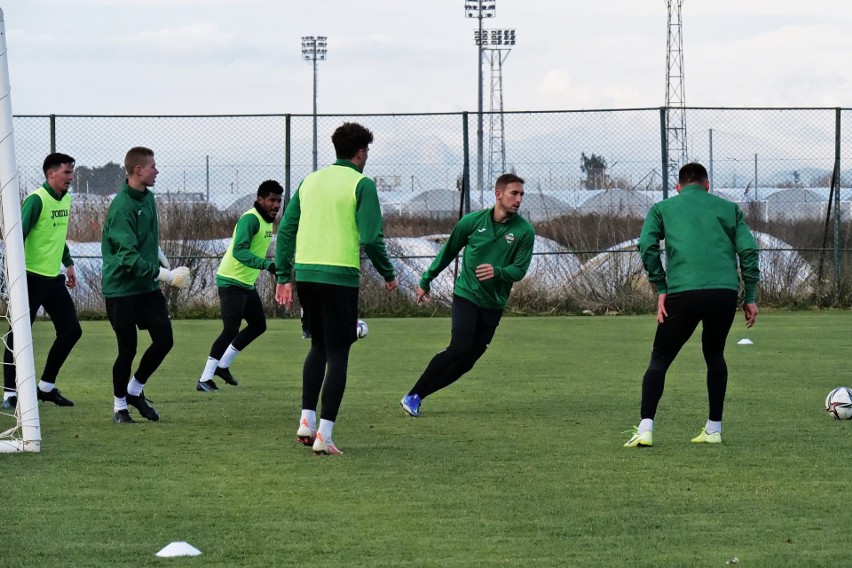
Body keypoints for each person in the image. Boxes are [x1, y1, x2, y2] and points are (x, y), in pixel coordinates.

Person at [275, 122, 398, 456]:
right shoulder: (362, 184)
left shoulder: (309, 181)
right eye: (367, 152)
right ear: (361, 153)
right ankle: (324, 436)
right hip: (339, 276)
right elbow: (372, 237)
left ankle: (306, 421)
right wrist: (388, 273)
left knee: (317, 345)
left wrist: (284, 275)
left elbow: (286, 230)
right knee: (339, 351)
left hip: (307, 274)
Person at [624, 162, 760, 448]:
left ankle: (646, 429)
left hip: (683, 292)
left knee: (660, 358)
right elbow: (748, 249)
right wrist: (749, 296)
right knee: (714, 354)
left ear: (678, 187)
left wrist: (661, 286)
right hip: (723, 292)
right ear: (707, 185)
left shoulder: (663, 209)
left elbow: (647, 245)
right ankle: (714, 429)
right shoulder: (729, 209)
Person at [400, 173, 535, 418]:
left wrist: (498, 271)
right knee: (459, 347)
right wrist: (426, 280)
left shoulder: (524, 231)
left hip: (493, 304)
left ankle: (417, 396)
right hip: (467, 295)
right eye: (514, 193)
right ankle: (413, 394)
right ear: (498, 194)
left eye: (521, 195)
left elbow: (520, 270)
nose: (518, 199)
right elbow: (448, 251)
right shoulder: (472, 222)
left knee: (468, 361)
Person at [101, 147, 191, 424]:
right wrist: (165, 275)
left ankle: (134, 391)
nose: (157, 170)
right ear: (138, 170)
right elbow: (126, 255)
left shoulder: (148, 198)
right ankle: (119, 407)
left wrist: (159, 255)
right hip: (122, 289)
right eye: (153, 166)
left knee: (165, 340)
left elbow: (147, 239)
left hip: (146, 288)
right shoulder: (121, 207)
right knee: (127, 349)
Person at [1, 153, 82, 410]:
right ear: (51, 173)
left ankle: (45, 387)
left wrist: (68, 264)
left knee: (71, 331)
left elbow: (58, 237)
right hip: (29, 278)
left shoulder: (66, 200)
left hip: (53, 280)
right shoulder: (36, 200)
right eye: (67, 172)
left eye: (72, 172)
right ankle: (9, 394)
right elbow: (16, 238)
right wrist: (13, 275)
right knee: (19, 335)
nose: (71, 177)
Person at [196, 180, 283, 392]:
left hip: (246, 283)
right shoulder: (250, 219)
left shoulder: (268, 222)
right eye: (272, 200)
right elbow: (239, 251)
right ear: (260, 199)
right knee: (230, 330)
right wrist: (266, 265)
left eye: (279, 201)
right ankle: (205, 378)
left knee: (258, 325)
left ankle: (223, 365)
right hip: (231, 281)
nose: (276, 205)